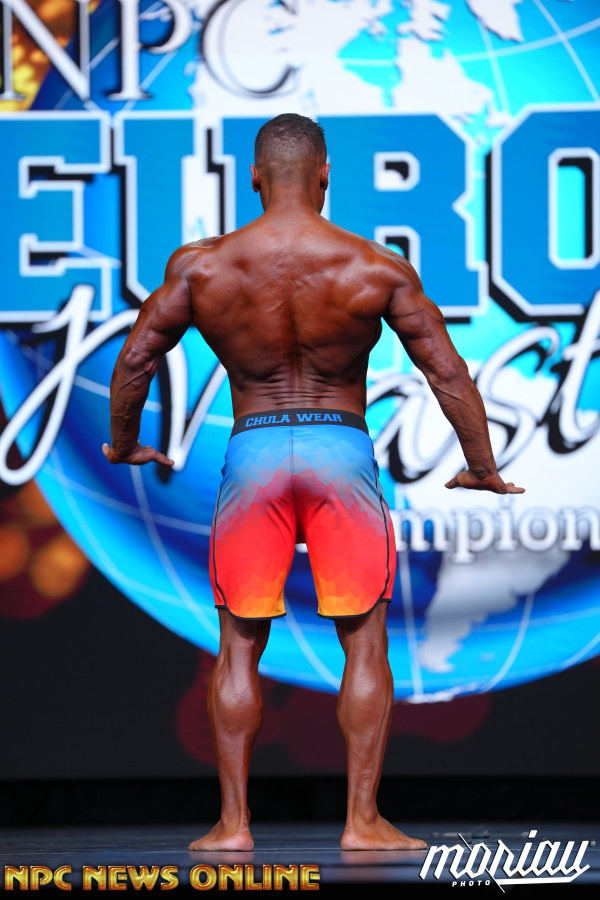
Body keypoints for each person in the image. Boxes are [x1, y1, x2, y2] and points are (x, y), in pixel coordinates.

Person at [102, 113, 524, 852]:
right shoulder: (374, 266)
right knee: (364, 642)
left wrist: (127, 441)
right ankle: (362, 823)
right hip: (339, 450)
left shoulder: (203, 267)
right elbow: (447, 370)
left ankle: (233, 826)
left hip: (256, 452)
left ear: (255, 178)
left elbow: (137, 358)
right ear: (326, 175)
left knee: (239, 644)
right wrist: (482, 464)